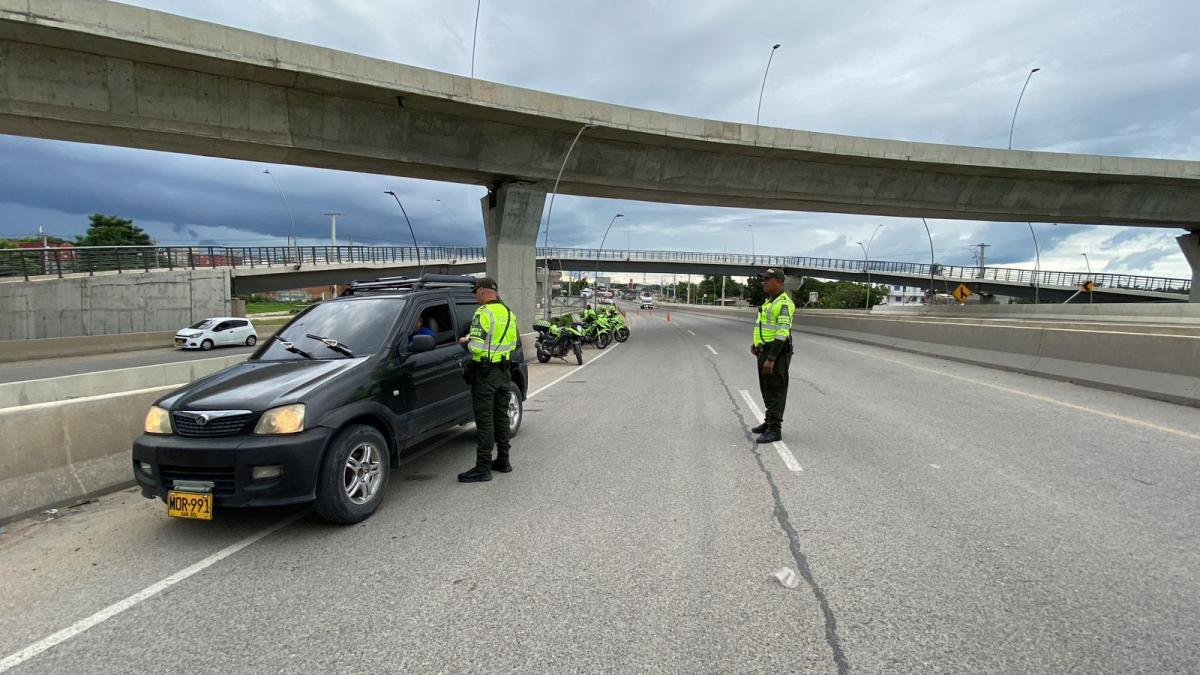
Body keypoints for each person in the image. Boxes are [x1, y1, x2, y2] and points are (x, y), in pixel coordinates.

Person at [456, 277, 519, 483]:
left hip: (485, 373)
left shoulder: (483, 313)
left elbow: (477, 347)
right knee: (501, 417)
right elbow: (514, 343)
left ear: (483, 291)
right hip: (504, 371)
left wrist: (465, 342)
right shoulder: (509, 313)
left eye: (476, 292)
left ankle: (483, 467)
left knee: (485, 421)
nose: (475, 296)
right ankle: (503, 460)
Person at [750, 268, 795, 443]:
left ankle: (775, 430)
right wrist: (757, 343)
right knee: (766, 389)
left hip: (775, 354)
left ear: (780, 282)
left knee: (775, 390)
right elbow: (765, 327)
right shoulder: (770, 302)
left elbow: (782, 333)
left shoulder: (783, 303)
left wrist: (771, 359)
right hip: (764, 350)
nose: (765, 282)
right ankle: (769, 422)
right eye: (764, 279)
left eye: (768, 279)